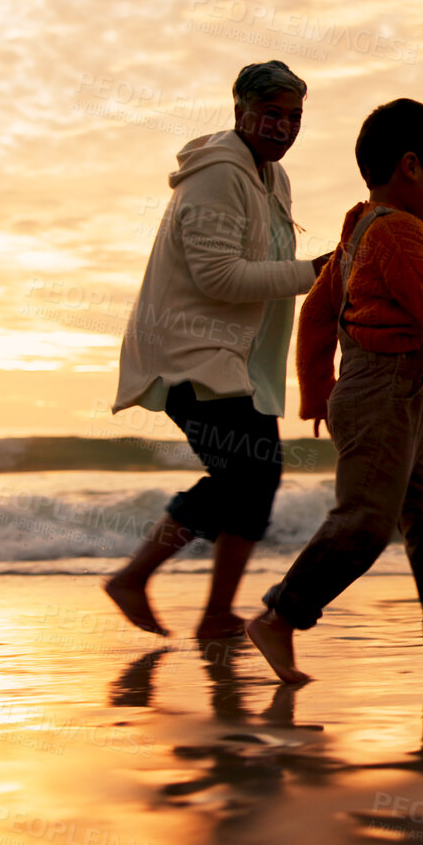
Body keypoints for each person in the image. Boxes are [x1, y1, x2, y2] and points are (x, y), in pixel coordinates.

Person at [246, 98, 423, 684]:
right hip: (381, 395)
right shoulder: (398, 236)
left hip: (393, 401)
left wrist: (320, 390)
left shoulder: (358, 237)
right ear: (409, 165)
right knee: (367, 522)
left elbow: (318, 318)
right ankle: (280, 616)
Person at [103, 60, 330, 640]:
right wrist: (317, 272)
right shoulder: (217, 174)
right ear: (240, 112)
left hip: (237, 359)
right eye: (271, 114)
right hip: (188, 350)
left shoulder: (273, 178)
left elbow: (266, 265)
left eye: (294, 117)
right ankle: (134, 578)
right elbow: (219, 278)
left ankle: (215, 613)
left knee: (258, 475)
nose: (283, 127)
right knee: (243, 475)